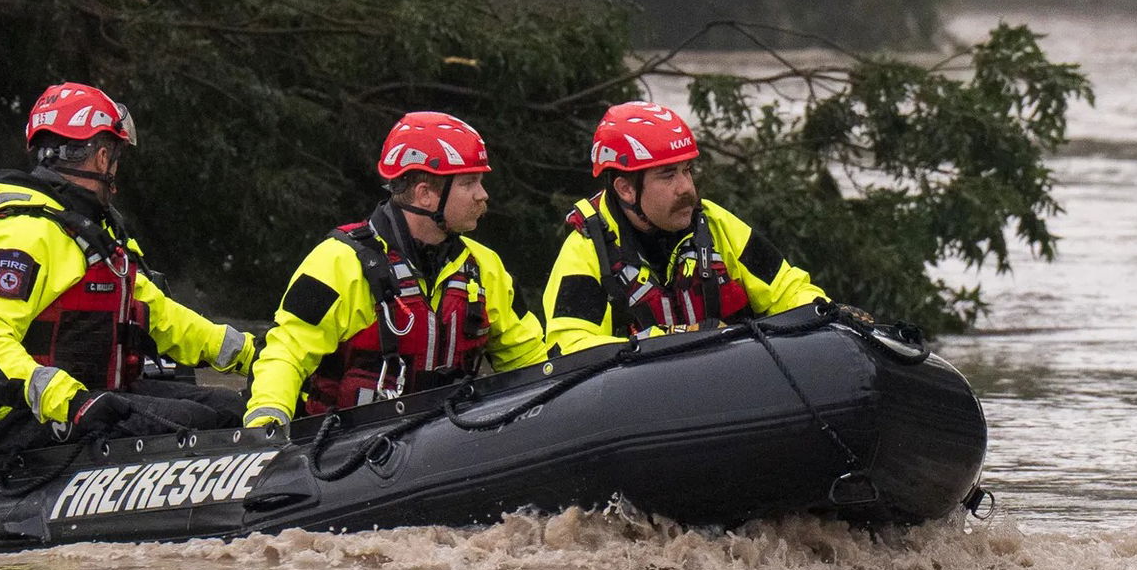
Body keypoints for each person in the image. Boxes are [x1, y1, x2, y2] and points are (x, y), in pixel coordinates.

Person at [0, 83, 256, 456]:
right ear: (101, 158)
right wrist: (70, 401)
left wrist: (252, 354)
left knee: (231, 408)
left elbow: (161, 317)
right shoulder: (23, 235)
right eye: (115, 158)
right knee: (203, 423)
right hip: (24, 419)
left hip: (93, 399)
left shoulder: (92, 235)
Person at [243, 112, 547, 429]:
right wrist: (267, 420)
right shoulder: (339, 262)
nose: (482, 194)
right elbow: (286, 352)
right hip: (343, 442)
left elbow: (530, 359)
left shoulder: (485, 267)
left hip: (451, 438)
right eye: (469, 183)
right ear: (425, 194)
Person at [542, 101, 824, 356]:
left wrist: (823, 310)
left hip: (733, 382)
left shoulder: (715, 224)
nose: (687, 188)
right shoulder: (587, 251)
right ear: (626, 189)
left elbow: (788, 290)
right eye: (668, 175)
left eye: (687, 170)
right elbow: (571, 347)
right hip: (642, 393)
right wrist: (671, 339)